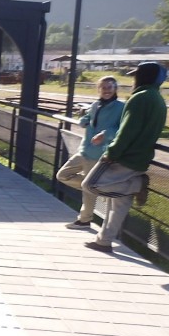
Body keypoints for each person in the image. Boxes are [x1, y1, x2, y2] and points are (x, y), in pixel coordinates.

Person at [81, 61, 168, 253]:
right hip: (141, 158)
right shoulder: (158, 99)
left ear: (144, 77)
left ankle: (136, 185)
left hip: (124, 156)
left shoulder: (140, 98)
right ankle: (104, 241)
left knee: (90, 185)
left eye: (137, 75)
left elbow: (127, 130)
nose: (134, 79)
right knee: (119, 203)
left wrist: (112, 153)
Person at [56, 76, 124, 230]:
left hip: (99, 153)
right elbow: (88, 117)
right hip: (84, 150)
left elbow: (122, 128)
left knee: (88, 189)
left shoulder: (121, 107)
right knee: (63, 175)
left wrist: (105, 134)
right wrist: (83, 120)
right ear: (98, 89)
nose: (106, 90)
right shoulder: (95, 104)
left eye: (109, 87)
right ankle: (97, 188)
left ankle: (84, 220)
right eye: (103, 87)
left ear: (115, 89)